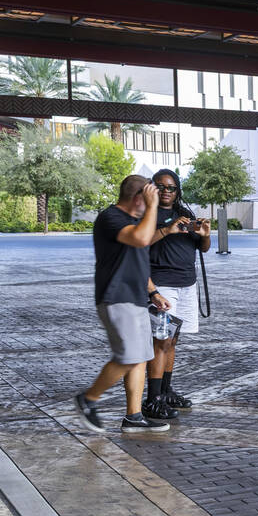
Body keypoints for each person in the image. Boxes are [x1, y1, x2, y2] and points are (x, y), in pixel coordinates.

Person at [75, 175, 172, 433]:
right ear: (139, 196)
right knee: (128, 356)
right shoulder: (111, 218)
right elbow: (141, 240)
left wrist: (153, 293)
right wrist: (151, 209)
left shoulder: (134, 221)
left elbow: (137, 260)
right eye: (150, 196)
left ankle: (134, 416)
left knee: (139, 358)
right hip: (117, 298)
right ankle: (88, 399)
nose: (155, 201)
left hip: (136, 298)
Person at [143, 169, 211, 420]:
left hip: (186, 285)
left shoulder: (185, 214)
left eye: (171, 188)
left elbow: (202, 247)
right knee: (160, 341)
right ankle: (153, 400)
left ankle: (166, 391)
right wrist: (168, 229)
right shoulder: (148, 213)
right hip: (163, 286)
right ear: (153, 188)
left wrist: (205, 235)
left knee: (172, 340)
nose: (166, 192)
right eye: (161, 187)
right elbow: (139, 242)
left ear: (177, 190)